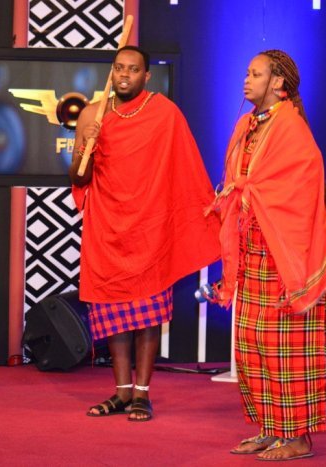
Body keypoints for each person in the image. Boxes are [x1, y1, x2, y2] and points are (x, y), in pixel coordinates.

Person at [211, 49, 326, 460]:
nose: (247, 79)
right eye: (247, 72)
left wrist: (248, 191)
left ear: (278, 83)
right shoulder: (247, 124)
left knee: (285, 349)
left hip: (286, 256)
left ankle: (298, 437)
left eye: (256, 74)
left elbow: (297, 190)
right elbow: (240, 179)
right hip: (253, 250)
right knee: (251, 345)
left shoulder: (291, 128)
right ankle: (270, 428)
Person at [69, 45, 221, 421]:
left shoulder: (164, 113)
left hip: (150, 228)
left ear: (146, 76)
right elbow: (78, 178)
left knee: (147, 314)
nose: (124, 75)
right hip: (107, 228)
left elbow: (185, 168)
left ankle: (142, 394)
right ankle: (121, 392)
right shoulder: (92, 114)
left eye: (133, 69)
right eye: (119, 68)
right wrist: (86, 145)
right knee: (114, 312)